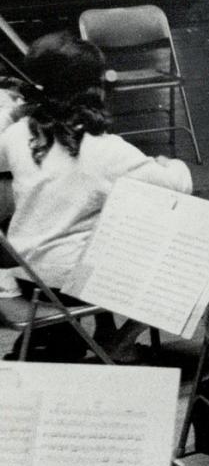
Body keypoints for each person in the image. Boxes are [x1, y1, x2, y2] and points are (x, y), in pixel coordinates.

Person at [0, 32, 193, 308]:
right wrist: (173, 164)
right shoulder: (106, 150)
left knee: (98, 222)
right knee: (173, 259)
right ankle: (119, 343)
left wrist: (12, 113)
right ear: (96, 88)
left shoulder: (19, 135)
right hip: (68, 284)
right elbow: (177, 186)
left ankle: (99, 334)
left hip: (26, 276)